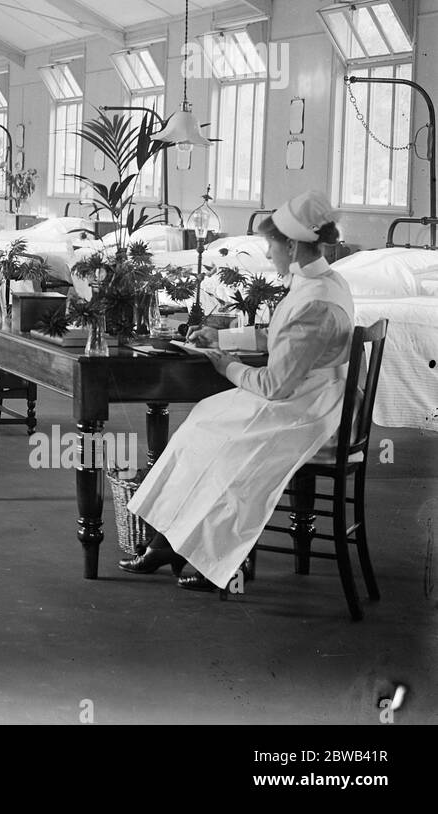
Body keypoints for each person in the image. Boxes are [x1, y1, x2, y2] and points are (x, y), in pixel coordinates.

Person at [120, 190, 354, 590]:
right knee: (200, 423)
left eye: (270, 246)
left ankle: (215, 561)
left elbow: (276, 384)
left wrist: (226, 365)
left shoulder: (316, 302)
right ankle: (168, 542)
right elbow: (280, 338)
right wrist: (223, 336)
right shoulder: (322, 283)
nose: (269, 255)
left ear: (293, 245)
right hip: (304, 396)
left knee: (224, 447)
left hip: (303, 412)